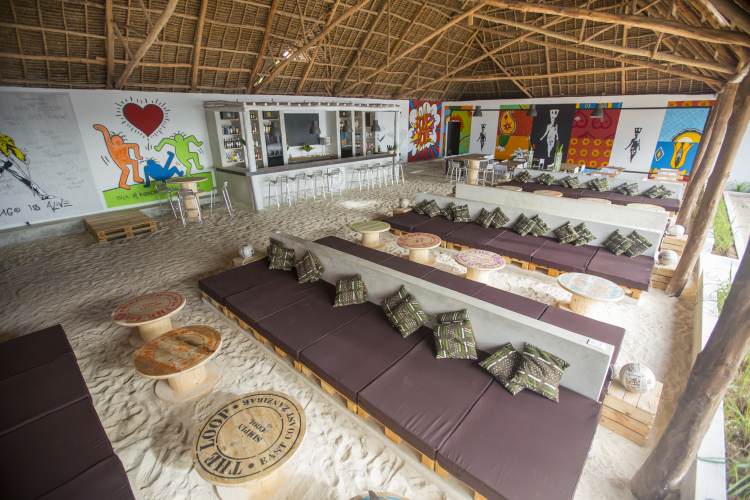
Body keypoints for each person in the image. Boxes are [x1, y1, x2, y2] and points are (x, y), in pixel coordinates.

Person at [0, 133, 54, 200]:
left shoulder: (4, 138)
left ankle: (42, 194)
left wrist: (23, 158)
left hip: (6, 161)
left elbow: (14, 149)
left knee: (24, 178)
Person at [93, 124, 144, 190]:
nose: (118, 141)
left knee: (134, 162)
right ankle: (122, 184)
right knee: (126, 170)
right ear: (112, 142)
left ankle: (136, 178)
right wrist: (102, 129)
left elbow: (135, 146)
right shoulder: (111, 147)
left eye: (119, 140)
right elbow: (106, 136)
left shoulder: (124, 145)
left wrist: (137, 156)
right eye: (115, 141)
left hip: (126, 159)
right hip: (119, 161)